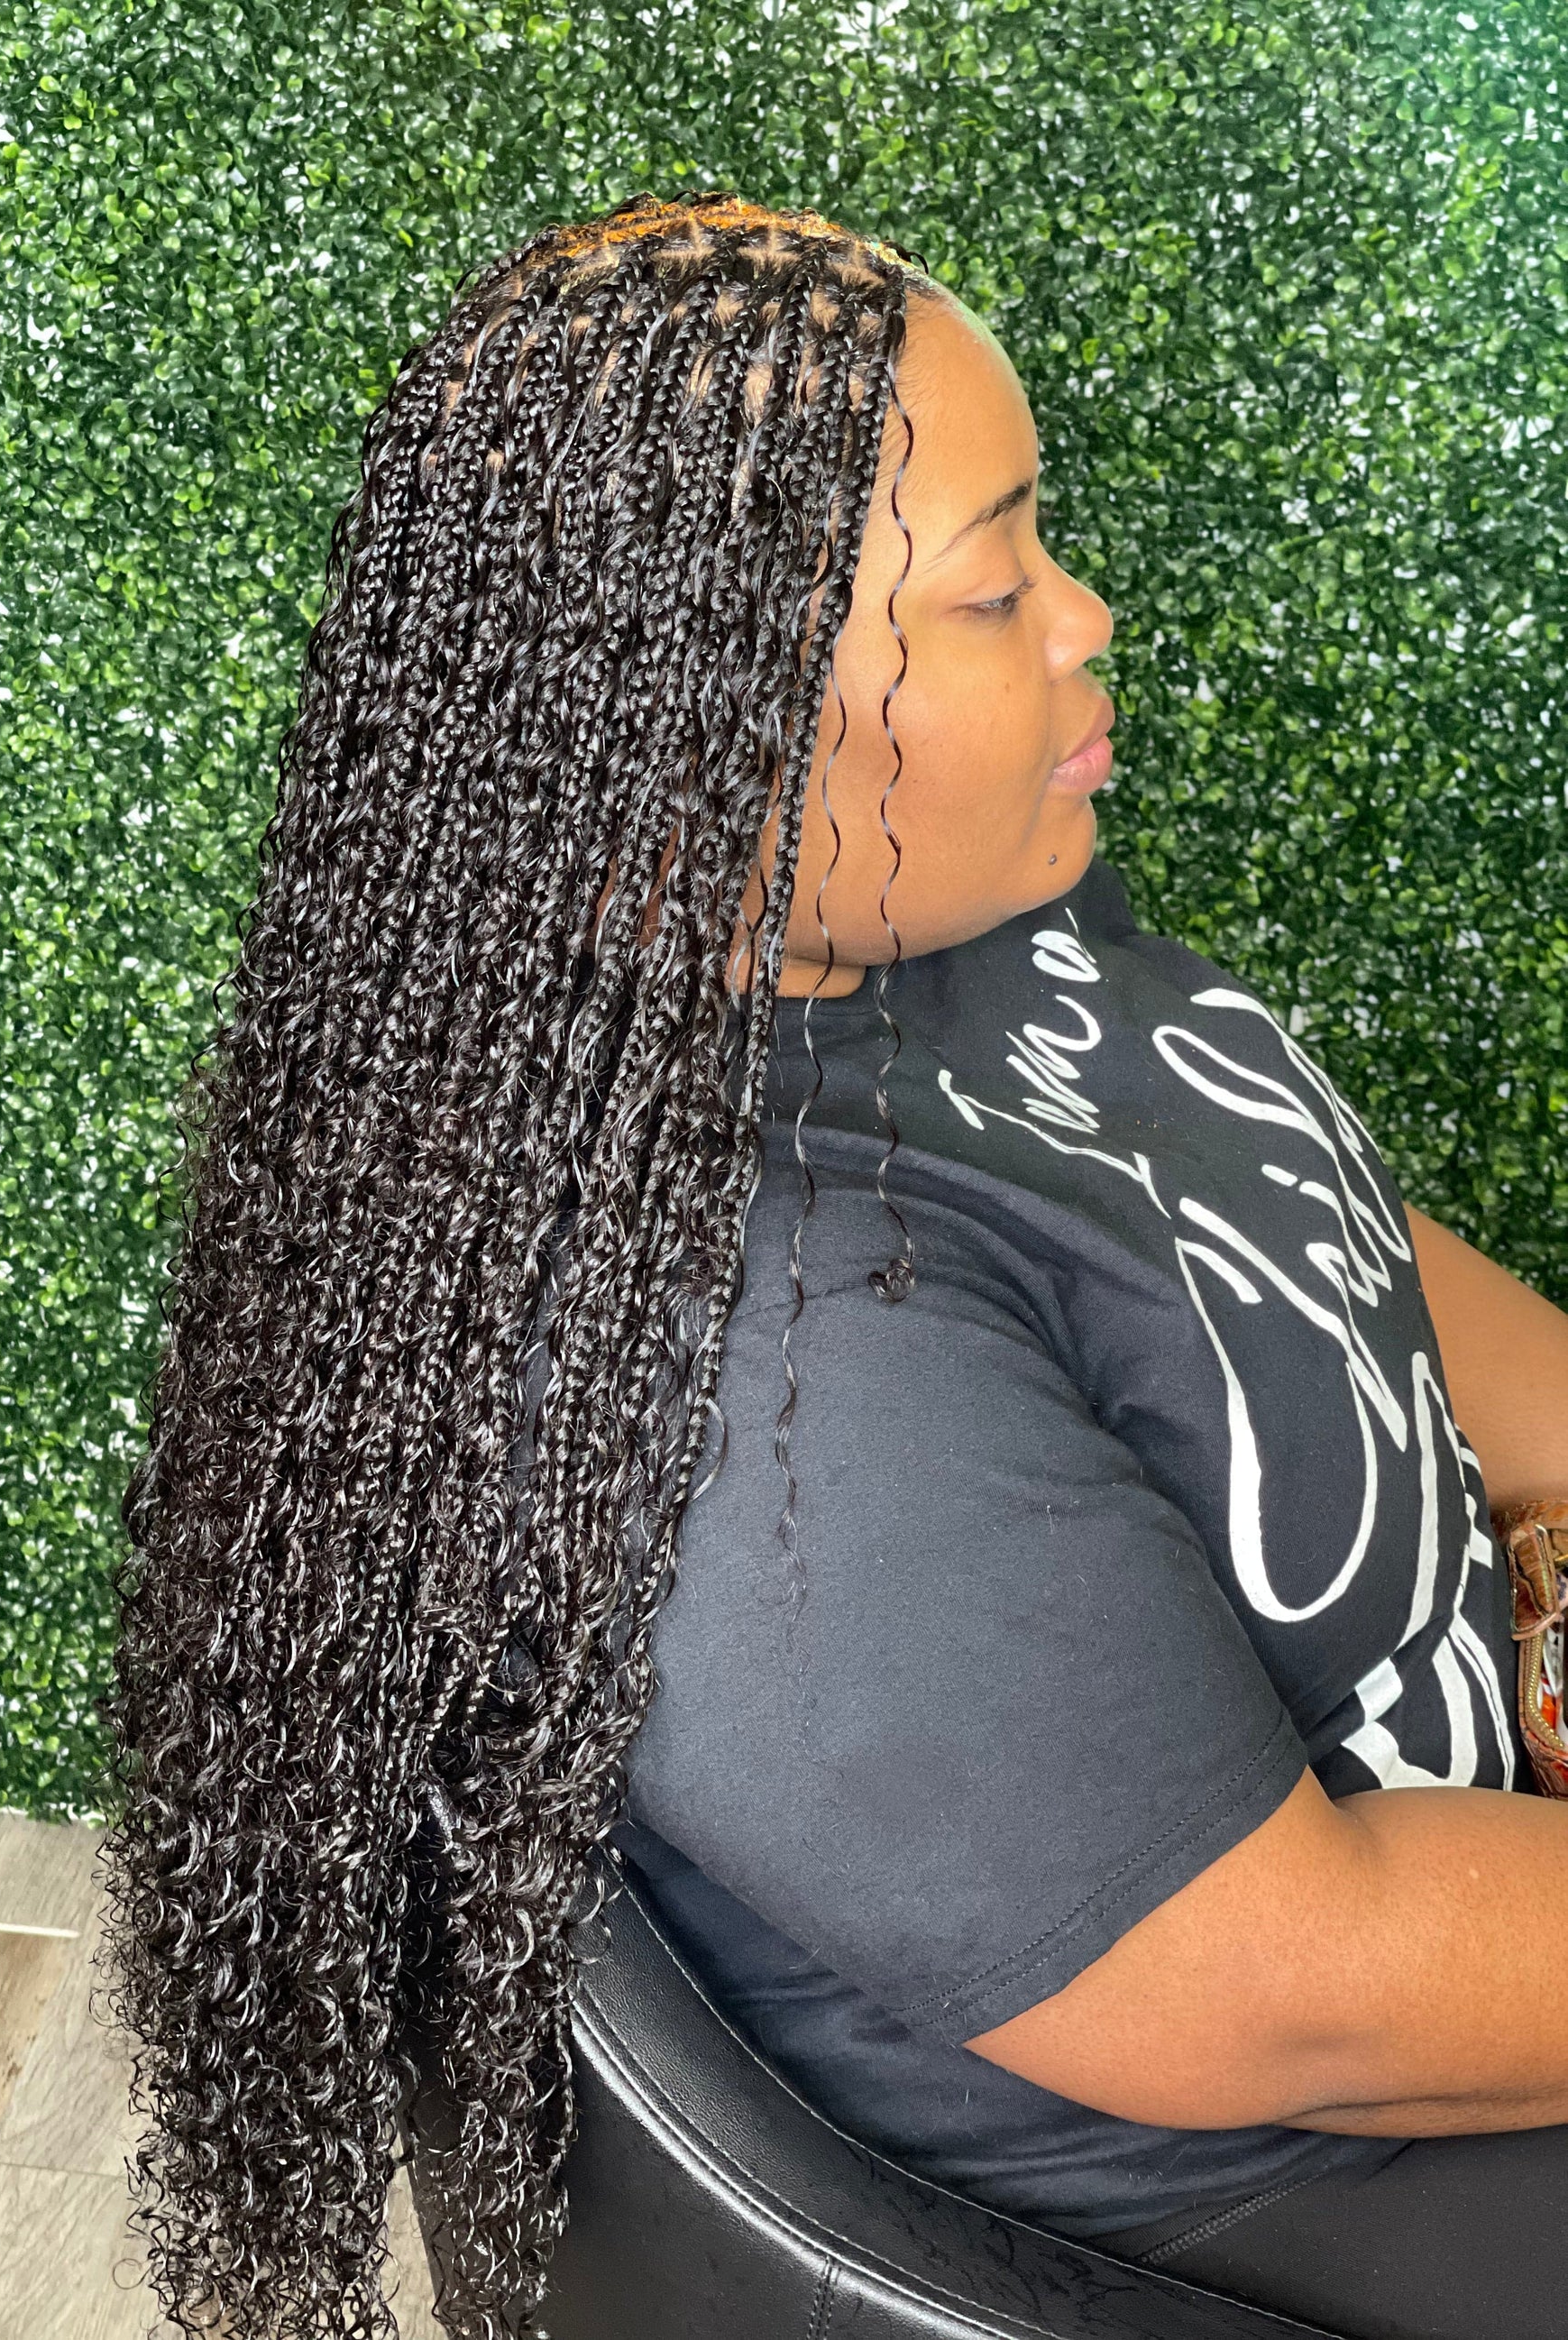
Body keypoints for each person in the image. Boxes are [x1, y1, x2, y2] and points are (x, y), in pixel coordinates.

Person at [95, 189, 1568, 2340]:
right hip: (1317, 2182)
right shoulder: (781, 1365)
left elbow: (1284, 1219)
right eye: (991, 588)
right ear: (702, 731)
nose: (1084, 621)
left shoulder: (936, 899)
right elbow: (1297, 1990)